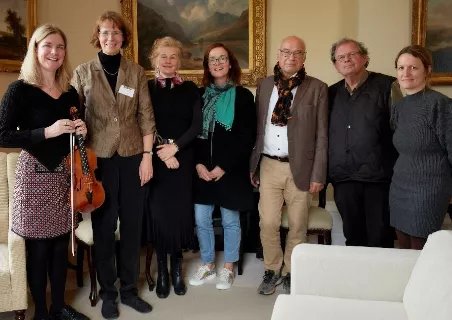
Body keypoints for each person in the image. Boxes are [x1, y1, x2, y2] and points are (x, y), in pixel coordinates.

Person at [0, 24, 89, 320]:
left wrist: (82, 131)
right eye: (48, 45)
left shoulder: (70, 93)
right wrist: (46, 132)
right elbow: (3, 136)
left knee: (61, 244)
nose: (55, 52)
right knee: (38, 250)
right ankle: (42, 312)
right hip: (34, 176)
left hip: (64, 174)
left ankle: (59, 306)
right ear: (36, 49)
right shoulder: (19, 90)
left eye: (60, 47)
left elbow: (76, 139)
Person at [72, 11, 155, 319]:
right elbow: (73, 112)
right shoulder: (83, 71)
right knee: (105, 227)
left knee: (133, 226)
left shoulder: (136, 72)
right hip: (99, 162)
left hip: (133, 156)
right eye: (105, 32)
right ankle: (108, 293)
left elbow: (146, 116)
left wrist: (147, 157)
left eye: (117, 33)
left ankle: (129, 290)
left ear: (124, 38)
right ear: (98, 36)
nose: (111, 37)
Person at [250, 36, 328, 295]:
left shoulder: (317, 88)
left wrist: (318, 173)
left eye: (297, 53)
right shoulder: (264, 86)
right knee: (268, 222)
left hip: (302, 168)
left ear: (304, 57)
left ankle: (291, 271)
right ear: (278, 55)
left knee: (297, 224)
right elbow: (257, 130)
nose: (290, 57)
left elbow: (322, 135)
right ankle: (272, 269)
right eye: (286, 52)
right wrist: (254, 166)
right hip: (269, 165)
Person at [189, 43, 256, 290]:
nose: (217, 63)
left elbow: (247, 137)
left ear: (230, 63)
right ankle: (207, 264)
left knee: (230, 220)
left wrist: (223, 167)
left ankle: (228, 267)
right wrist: (197, 164)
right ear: (207, 65)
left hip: (231, 171)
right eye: (212, 59)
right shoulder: (198, 95)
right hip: (201, 170)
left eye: (222, 59)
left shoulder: (244, 96)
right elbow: (192, 133)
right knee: (201, 219)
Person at [328, 38, 401, 248]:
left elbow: (401, 129)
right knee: (353, 236)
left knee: (380, 237)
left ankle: (381, 281)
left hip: (378, 178)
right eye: (341, 57)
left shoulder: (388, 86)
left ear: (365, 57)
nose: (347, 60)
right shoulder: (330, 93)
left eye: (352, 54)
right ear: (335, 65)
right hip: (344, 178)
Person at [146, 36, 201, 298]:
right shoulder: (146, 88)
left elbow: (197, 126)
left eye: (173, 56)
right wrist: (164, 152)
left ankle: (177, 268)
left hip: (183, 159)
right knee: (159, 217)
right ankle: (163, 274)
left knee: (179, 216)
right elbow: (143, 124)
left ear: (180, 60)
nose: (168, 61)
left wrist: (175, 148)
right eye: (163, 56)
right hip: (155, 159)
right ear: (154, 59)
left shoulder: (191, 88)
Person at [390, 45, 452, 250]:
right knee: (403, 245)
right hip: (399, 187)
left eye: (413, 68)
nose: (406, 73)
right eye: (401, 68)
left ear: (427, 70)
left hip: (429, 189)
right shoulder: (399, 107)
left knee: (421, 248)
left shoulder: (440, 104)